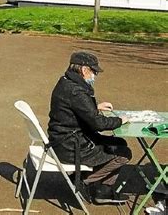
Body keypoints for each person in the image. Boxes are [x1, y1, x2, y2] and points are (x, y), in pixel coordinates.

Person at [47, 51, 132, 204]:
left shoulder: (65, 82)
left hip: (61, 139)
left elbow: (73, 109)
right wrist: (121, 120)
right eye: (94, 71)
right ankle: (82, 181)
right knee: (123, 153)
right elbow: (98, 124)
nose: (95, 75)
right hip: (71, 146)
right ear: (84, 70)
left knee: (119, 143)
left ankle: (104, 190)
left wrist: (95, 107)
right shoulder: (77, 91)